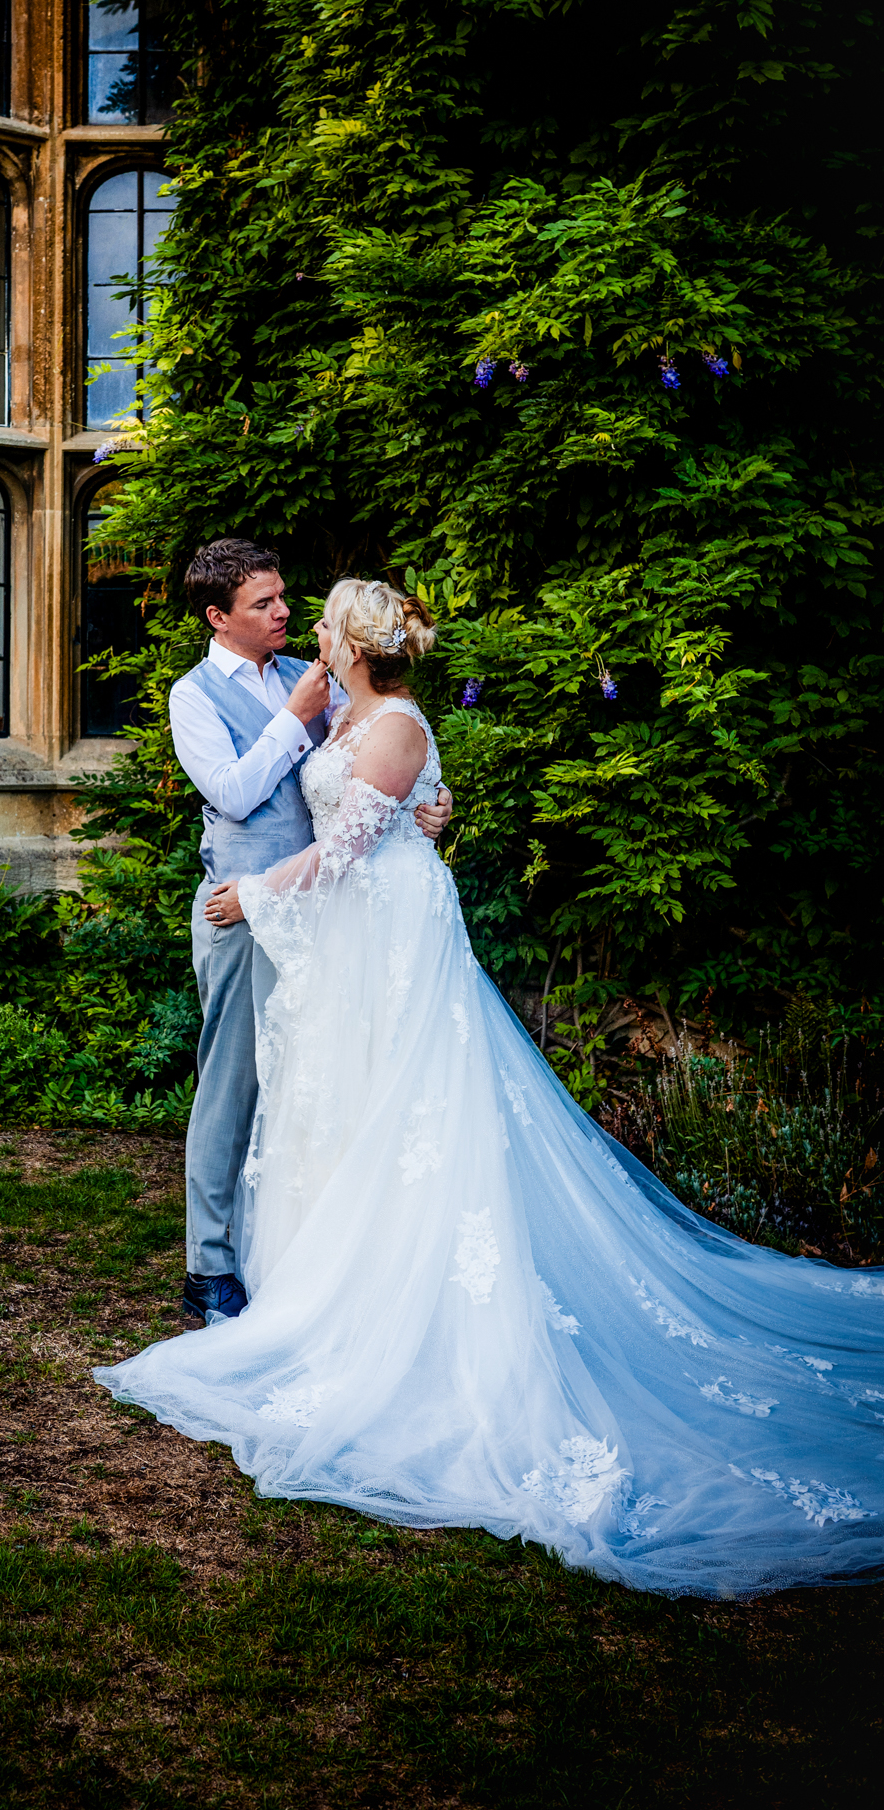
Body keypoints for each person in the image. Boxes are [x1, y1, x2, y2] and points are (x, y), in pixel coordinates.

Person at [98, 577, 884, 1597]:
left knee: (409, 1114)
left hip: (384, 926)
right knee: (340, 1109)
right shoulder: (328, 704)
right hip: (350, 936)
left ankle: (394, 1313)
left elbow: (341, 848)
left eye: (323, 617)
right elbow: (338, 796)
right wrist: (419, 807)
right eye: (295, 609)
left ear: (351, 642)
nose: (310, 627)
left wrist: (254, 890)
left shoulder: (387, 720)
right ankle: (309, 1286)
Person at [167, 540, 452, 1326]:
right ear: (219, 618)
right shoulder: (192, 696)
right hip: (242, 908)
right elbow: (228, 794)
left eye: (285, 598)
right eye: (263, 604)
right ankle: (210, 1266)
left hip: (332, 916)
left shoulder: (312, 676)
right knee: (233, 1082)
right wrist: (290, 727)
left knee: (309, 1080)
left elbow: (380, 749)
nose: (284, 613)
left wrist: (429, 801)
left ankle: (298, 1253)